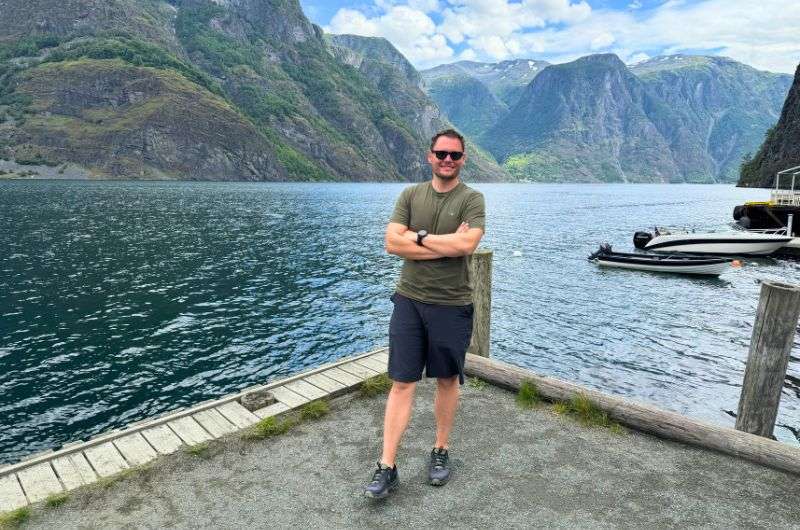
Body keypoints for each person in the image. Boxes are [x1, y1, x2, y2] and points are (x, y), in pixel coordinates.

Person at [363, 128, 486, 498]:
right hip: (409, 302)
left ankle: (441, 450)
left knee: (447, 380)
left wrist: (415, 238)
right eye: (441, 153)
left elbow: (467, 243)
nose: (447, 160)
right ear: (429, 156)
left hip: (452, 304)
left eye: (454, 155)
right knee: (402, 383)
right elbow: (390, 243)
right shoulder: (410, 194)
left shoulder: (472, 199)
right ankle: (387, 465)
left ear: (463, 159)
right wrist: (443, 245)